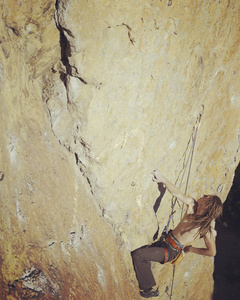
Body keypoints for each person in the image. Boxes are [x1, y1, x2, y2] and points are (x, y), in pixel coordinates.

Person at [131, 170, 223, 298]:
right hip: (164, 242)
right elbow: (177, 193)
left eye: (207, 197)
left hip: (170, 251)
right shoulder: (192, 205)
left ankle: (151, 288)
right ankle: (149, 282)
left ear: (208, 205)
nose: (204, 195)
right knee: (138, 255)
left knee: (138, 255)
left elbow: (212, 252)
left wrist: (191, 249)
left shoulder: (206, 229)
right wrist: (163, 179)